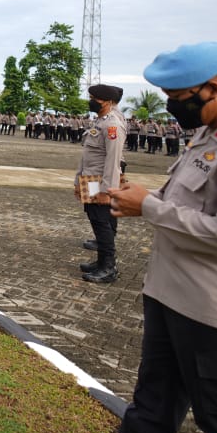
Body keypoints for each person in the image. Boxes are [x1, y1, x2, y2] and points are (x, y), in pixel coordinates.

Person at [62, 41, 217, 433]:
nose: (173, 109)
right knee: (154, 393)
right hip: (168, 292)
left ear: (212, 89)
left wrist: (151, 209)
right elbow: (184, 200)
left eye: (178, 100)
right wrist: (149, 199)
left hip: (212, 311)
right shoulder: (208, 133)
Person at [74, 83, 126, 284]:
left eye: (94, 98)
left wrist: (107, 190)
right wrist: (78, 181)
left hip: (100, 181)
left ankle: (108, 267)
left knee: (102, 222)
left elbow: (113, 161)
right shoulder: (100, 122)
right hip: (90, 179)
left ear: (107, 101)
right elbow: (88, 156)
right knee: (95, 218)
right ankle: (101, 261)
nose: (91, 101)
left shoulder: (113, 124)